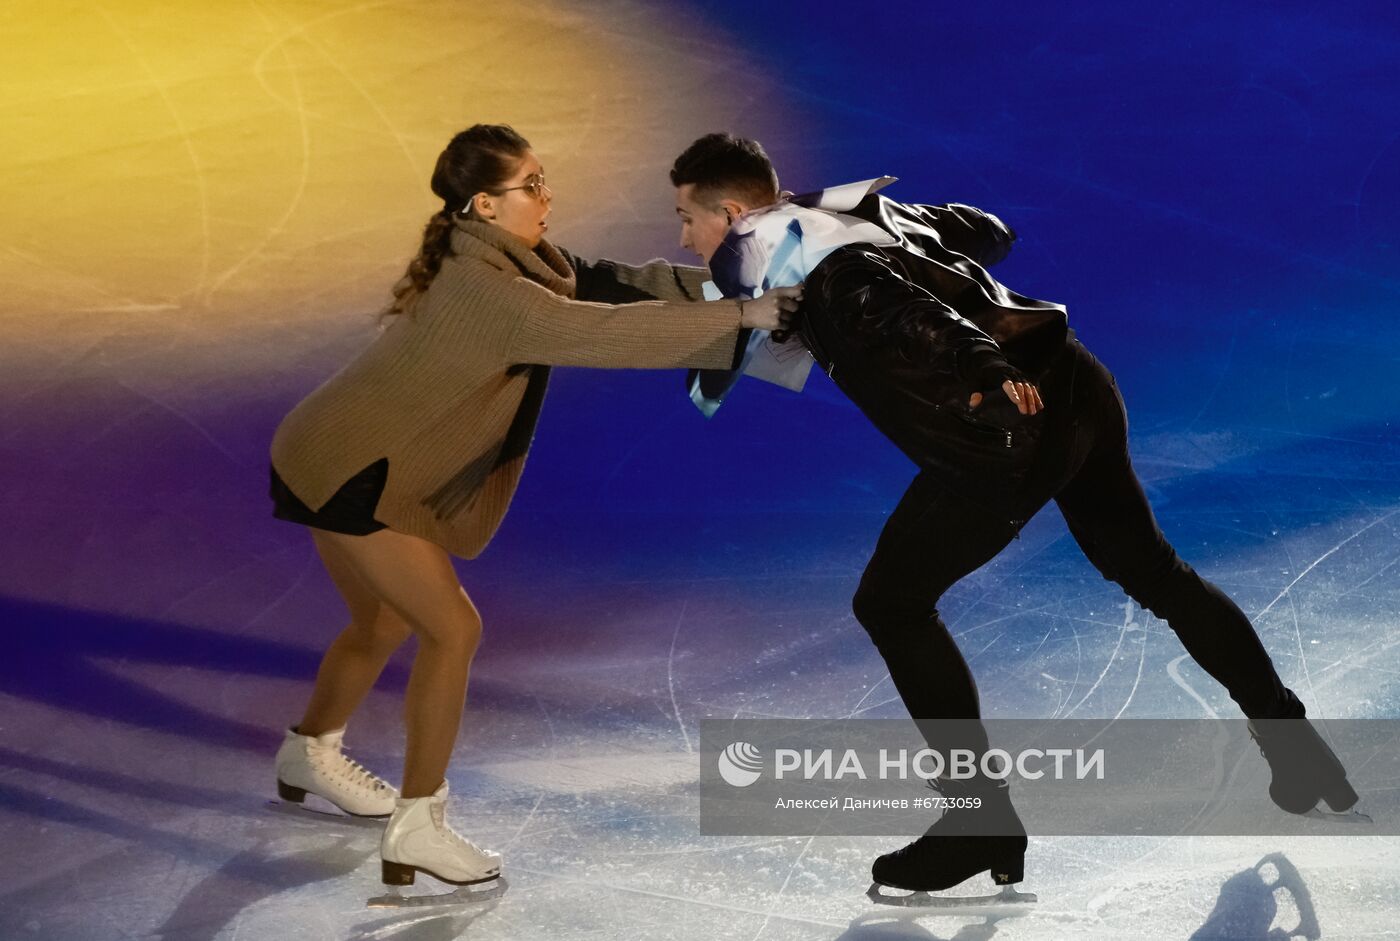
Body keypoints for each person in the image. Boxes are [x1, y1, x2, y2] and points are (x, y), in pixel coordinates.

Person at [668, 133, 1360, 897]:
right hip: (1074, 382)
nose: (684, 237)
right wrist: (898, 221)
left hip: (1005, 425)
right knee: (1154, 571)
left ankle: (978, 818)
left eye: (687, 219)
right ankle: (1293, 741)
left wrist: (984, 366)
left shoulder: (828, 268)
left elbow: (911, 315)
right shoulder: (852, 225)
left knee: (892, 604)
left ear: (732, 211)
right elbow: (989, 231)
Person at [267, 124, 801, 894]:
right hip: (350, 468)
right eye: (532, 186)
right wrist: (743, 319)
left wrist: (728, 291)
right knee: (452, 628)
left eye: (545, 179)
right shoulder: (490, 290)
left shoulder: (506, 254)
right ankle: (418, 824)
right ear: (485, 203)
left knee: (383, 621)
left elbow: (609, 283)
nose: (549, 197)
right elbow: (593, 329)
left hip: (318, 445)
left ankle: (307, 749)